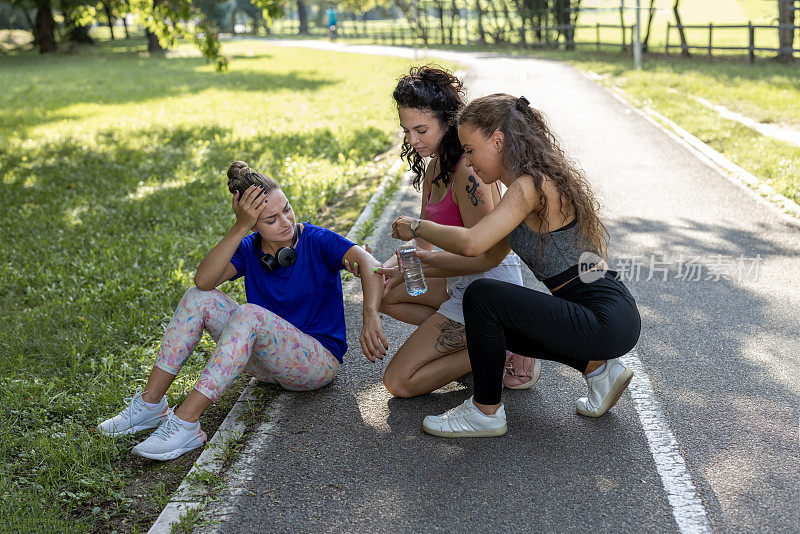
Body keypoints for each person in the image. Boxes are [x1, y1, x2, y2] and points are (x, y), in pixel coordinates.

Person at [97, 161, 387, 459]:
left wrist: (369, 313)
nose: (285, 222)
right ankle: (150, 404)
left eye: (286, 209)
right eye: (271, 219)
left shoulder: (316, 240)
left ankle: (185, 423)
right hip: (266, 365)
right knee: (198, 297)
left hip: (316, 364)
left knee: (250, 314)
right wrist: (239, 228)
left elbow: (370, 263)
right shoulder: (249, 247)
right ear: (253, 225)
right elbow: (204, 281)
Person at [391, 94, 641, 437]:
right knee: (495, 320)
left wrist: (417, 226)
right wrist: (418, 262)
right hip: (605, 318)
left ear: (498, 141)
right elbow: (487, 256)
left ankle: (485, 411)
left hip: (604, 318)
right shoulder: (523, 186)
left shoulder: (529, 187)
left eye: (470, 149)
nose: (467, 159)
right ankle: (598, 370)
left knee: (482, 296)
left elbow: (472, 242)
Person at [349, 66, 538, 399]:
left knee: (398, 382)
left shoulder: (468, 169)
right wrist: (377, 269)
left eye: (421, 129)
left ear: (448, 121)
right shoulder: (435, 165)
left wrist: (422, 264)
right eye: (407, 130)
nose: (413, 140)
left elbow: (487, 254)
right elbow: (423, 242)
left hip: (488, 287)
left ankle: (503, 343)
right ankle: (480, 344)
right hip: (457, 280)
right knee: (384, 290)